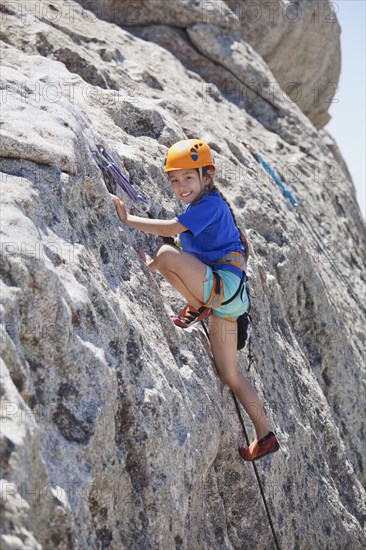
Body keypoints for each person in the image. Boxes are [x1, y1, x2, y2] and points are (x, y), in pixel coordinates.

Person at [110, 139, 279, 461]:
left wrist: (127, 219)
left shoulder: (210, 205)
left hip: (221, 289)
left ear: (207, 176)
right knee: (230, 374)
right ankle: (265, 435)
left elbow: (172, 228)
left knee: (162, 255)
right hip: (228, 300)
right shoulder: (201, 207)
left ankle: (197, 306)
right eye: (174, 180)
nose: (180, 186)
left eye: (188, 178)